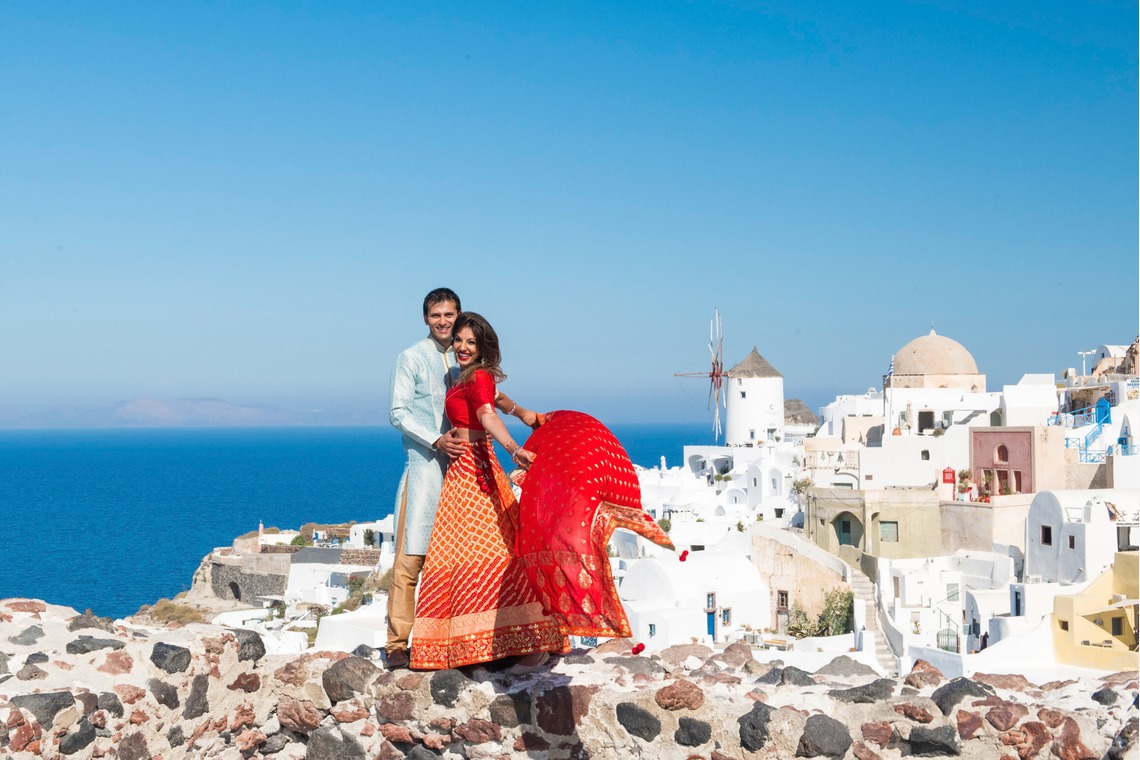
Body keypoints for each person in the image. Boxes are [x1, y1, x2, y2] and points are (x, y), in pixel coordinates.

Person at [409, 312, 568, 670]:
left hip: (476, 469)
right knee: (466, 554)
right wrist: (524, 413)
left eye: (471, 342)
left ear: (482, 348)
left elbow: (485, 413)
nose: (463, 347)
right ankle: (479, 647)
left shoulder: (476, 373)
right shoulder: (464, 376)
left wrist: (514, 448)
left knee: (488, 552)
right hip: (462, 470)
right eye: (459, 340)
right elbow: (495, 399)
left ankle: (527, 646)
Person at [387, 290, 531, 669]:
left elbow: (488, 398)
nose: (444, 321)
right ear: (425, 317)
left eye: (450, 314)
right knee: (412, 559)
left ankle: (469, 641)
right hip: (426, 469)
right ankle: (397, 644)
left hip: (462, 473)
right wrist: (436, 439)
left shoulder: (461, 358)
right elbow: (398, 412)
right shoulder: (411, 358)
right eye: (437, 314)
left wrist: (525, 414)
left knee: (468, 559)